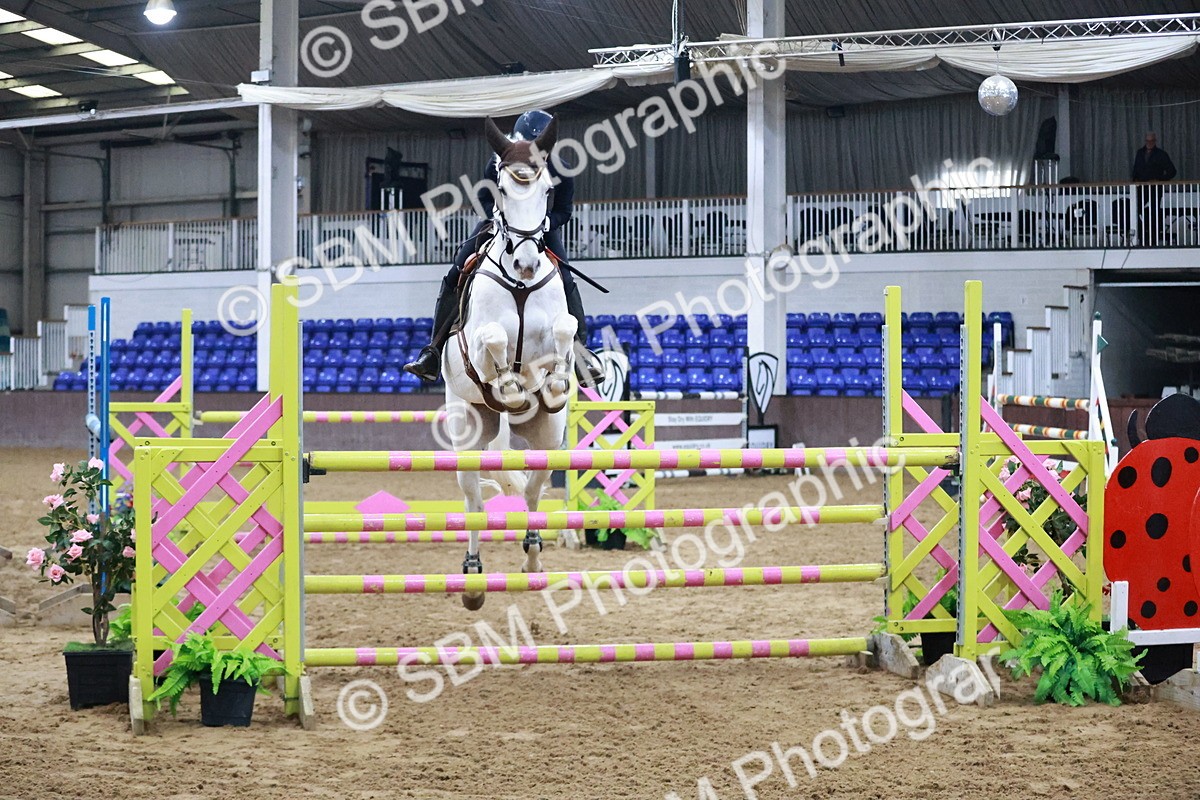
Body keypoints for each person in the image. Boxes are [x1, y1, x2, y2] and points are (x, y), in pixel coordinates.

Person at [404, 110, 602, 384]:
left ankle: (582, 354)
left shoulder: (561, 170)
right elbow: (485, 197)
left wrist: (546, 222)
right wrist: (497, 216)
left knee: (566, 279)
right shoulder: (497, 163)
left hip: (540, 229)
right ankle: (433, 351)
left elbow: (564, 211)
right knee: (458, 269)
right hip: (501, 224)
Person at [1132, 132, 1177, 246]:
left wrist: (1159, 179)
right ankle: (1142, 235)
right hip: (1141, 189)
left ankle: (1153, 238)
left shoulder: (1161, 154)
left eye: (1151, 141)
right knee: (1135, 211)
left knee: (1154, 213)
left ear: (1155, 141)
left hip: (1155, 189)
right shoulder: (1140, 153)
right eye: (1147, 141)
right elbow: (1135, 170)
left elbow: (1172, 171)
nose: (1149, 143)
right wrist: (1135, 180)